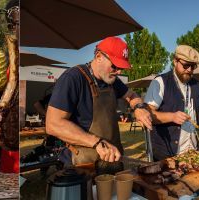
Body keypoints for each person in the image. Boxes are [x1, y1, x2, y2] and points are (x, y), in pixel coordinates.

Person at [45, 37, 152, 175]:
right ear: (99, 56)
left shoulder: (113, 81)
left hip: (113, 160)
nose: (118, 71)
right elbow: (53, 124)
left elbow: (132, 95)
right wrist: (96, 142)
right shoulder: (73, 78)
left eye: (121, 67)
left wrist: (139, 107)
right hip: (82, 164)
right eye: (115, 66)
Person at [143, 45, 199, 161]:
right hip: (168, 154)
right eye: (186, 65)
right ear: (175, 61)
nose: (189, 70)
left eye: (193, 66)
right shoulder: (160, 82)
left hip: (193, 150)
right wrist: (172, 117)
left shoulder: (197, 84)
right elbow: (147, 113)